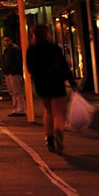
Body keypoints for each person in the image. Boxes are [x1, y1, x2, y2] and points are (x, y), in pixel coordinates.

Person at [26, 22, 74, 153]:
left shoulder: (31, 49)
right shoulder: (54, 48)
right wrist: (72, 82)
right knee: (59, 113)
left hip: (41, 84)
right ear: (47, 34)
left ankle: (49, 139)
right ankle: (58, 130)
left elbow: (30, 69)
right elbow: (64, 66)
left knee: (48, 110)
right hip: (56, 82)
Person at [0, 35, 26, 116]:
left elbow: (18, 62)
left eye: (7, 40)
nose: (6, 42)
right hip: (9, 73)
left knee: (18, 92)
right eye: (4, 41)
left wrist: (13, 71)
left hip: (14, 74)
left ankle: (20, 109)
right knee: (13, 92)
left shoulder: (15, 50)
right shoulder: (7, 50)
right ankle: (16, 109)